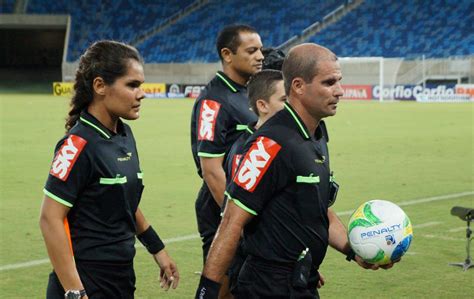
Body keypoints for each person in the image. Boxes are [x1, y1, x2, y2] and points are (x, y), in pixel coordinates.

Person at [195, 43, 397, 299]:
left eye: (339, 81)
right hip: (267, 288)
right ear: (299, 86)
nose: (340, 91)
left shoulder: (318, 135)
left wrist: (353, 249)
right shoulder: (269, 145)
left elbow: (318, 210)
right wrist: (206, 292)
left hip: (303, 283)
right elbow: (231, 222)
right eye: (329, 83)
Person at [39, 40, 179, 299]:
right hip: (87, 280)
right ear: (100, 86)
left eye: (141, 85)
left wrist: (157, 249)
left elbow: (123, 200)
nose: (142, 93)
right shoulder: (77, 145)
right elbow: (50, 218)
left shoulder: (124, 135)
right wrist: (74, 291)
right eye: (132, 85)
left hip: (121, 278)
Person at [190, 24, 263, 298]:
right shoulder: (214, 101)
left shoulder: (250, 92)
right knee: (224, 284)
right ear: (227, 55)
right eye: (252, 50)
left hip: (247, 203)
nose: (260, 56)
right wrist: (234, 218)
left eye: (261, 50)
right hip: (221, 206)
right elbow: (211, 171)